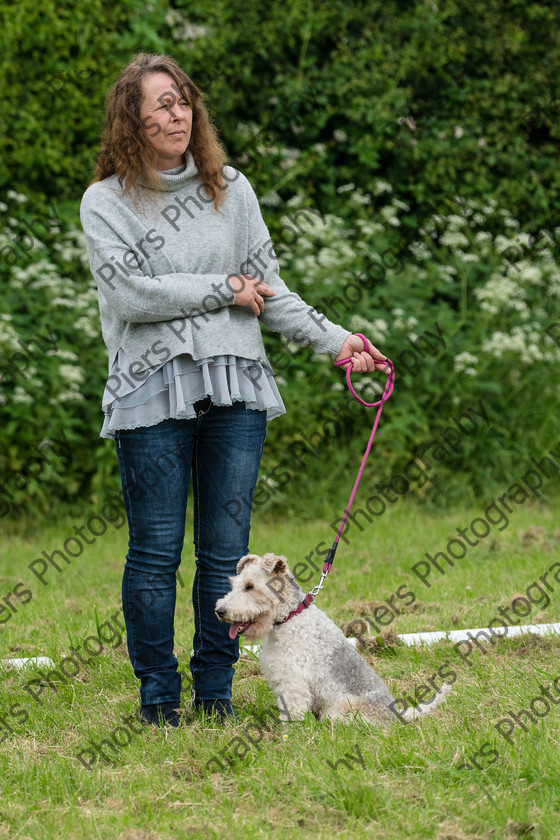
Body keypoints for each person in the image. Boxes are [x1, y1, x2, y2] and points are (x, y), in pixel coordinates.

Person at [80, 53, 388, 727]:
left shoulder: (231, 188)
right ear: (130, 119)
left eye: (185, 101)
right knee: (156, 551)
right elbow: (132, 294)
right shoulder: (105, 202)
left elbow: (267, 289)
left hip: (235, 389)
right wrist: (224, 289)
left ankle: (215, 695)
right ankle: (159, 698)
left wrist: (338, 341)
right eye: (161, 104)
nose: (177, 113)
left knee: (226, 552)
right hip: (150, 390)